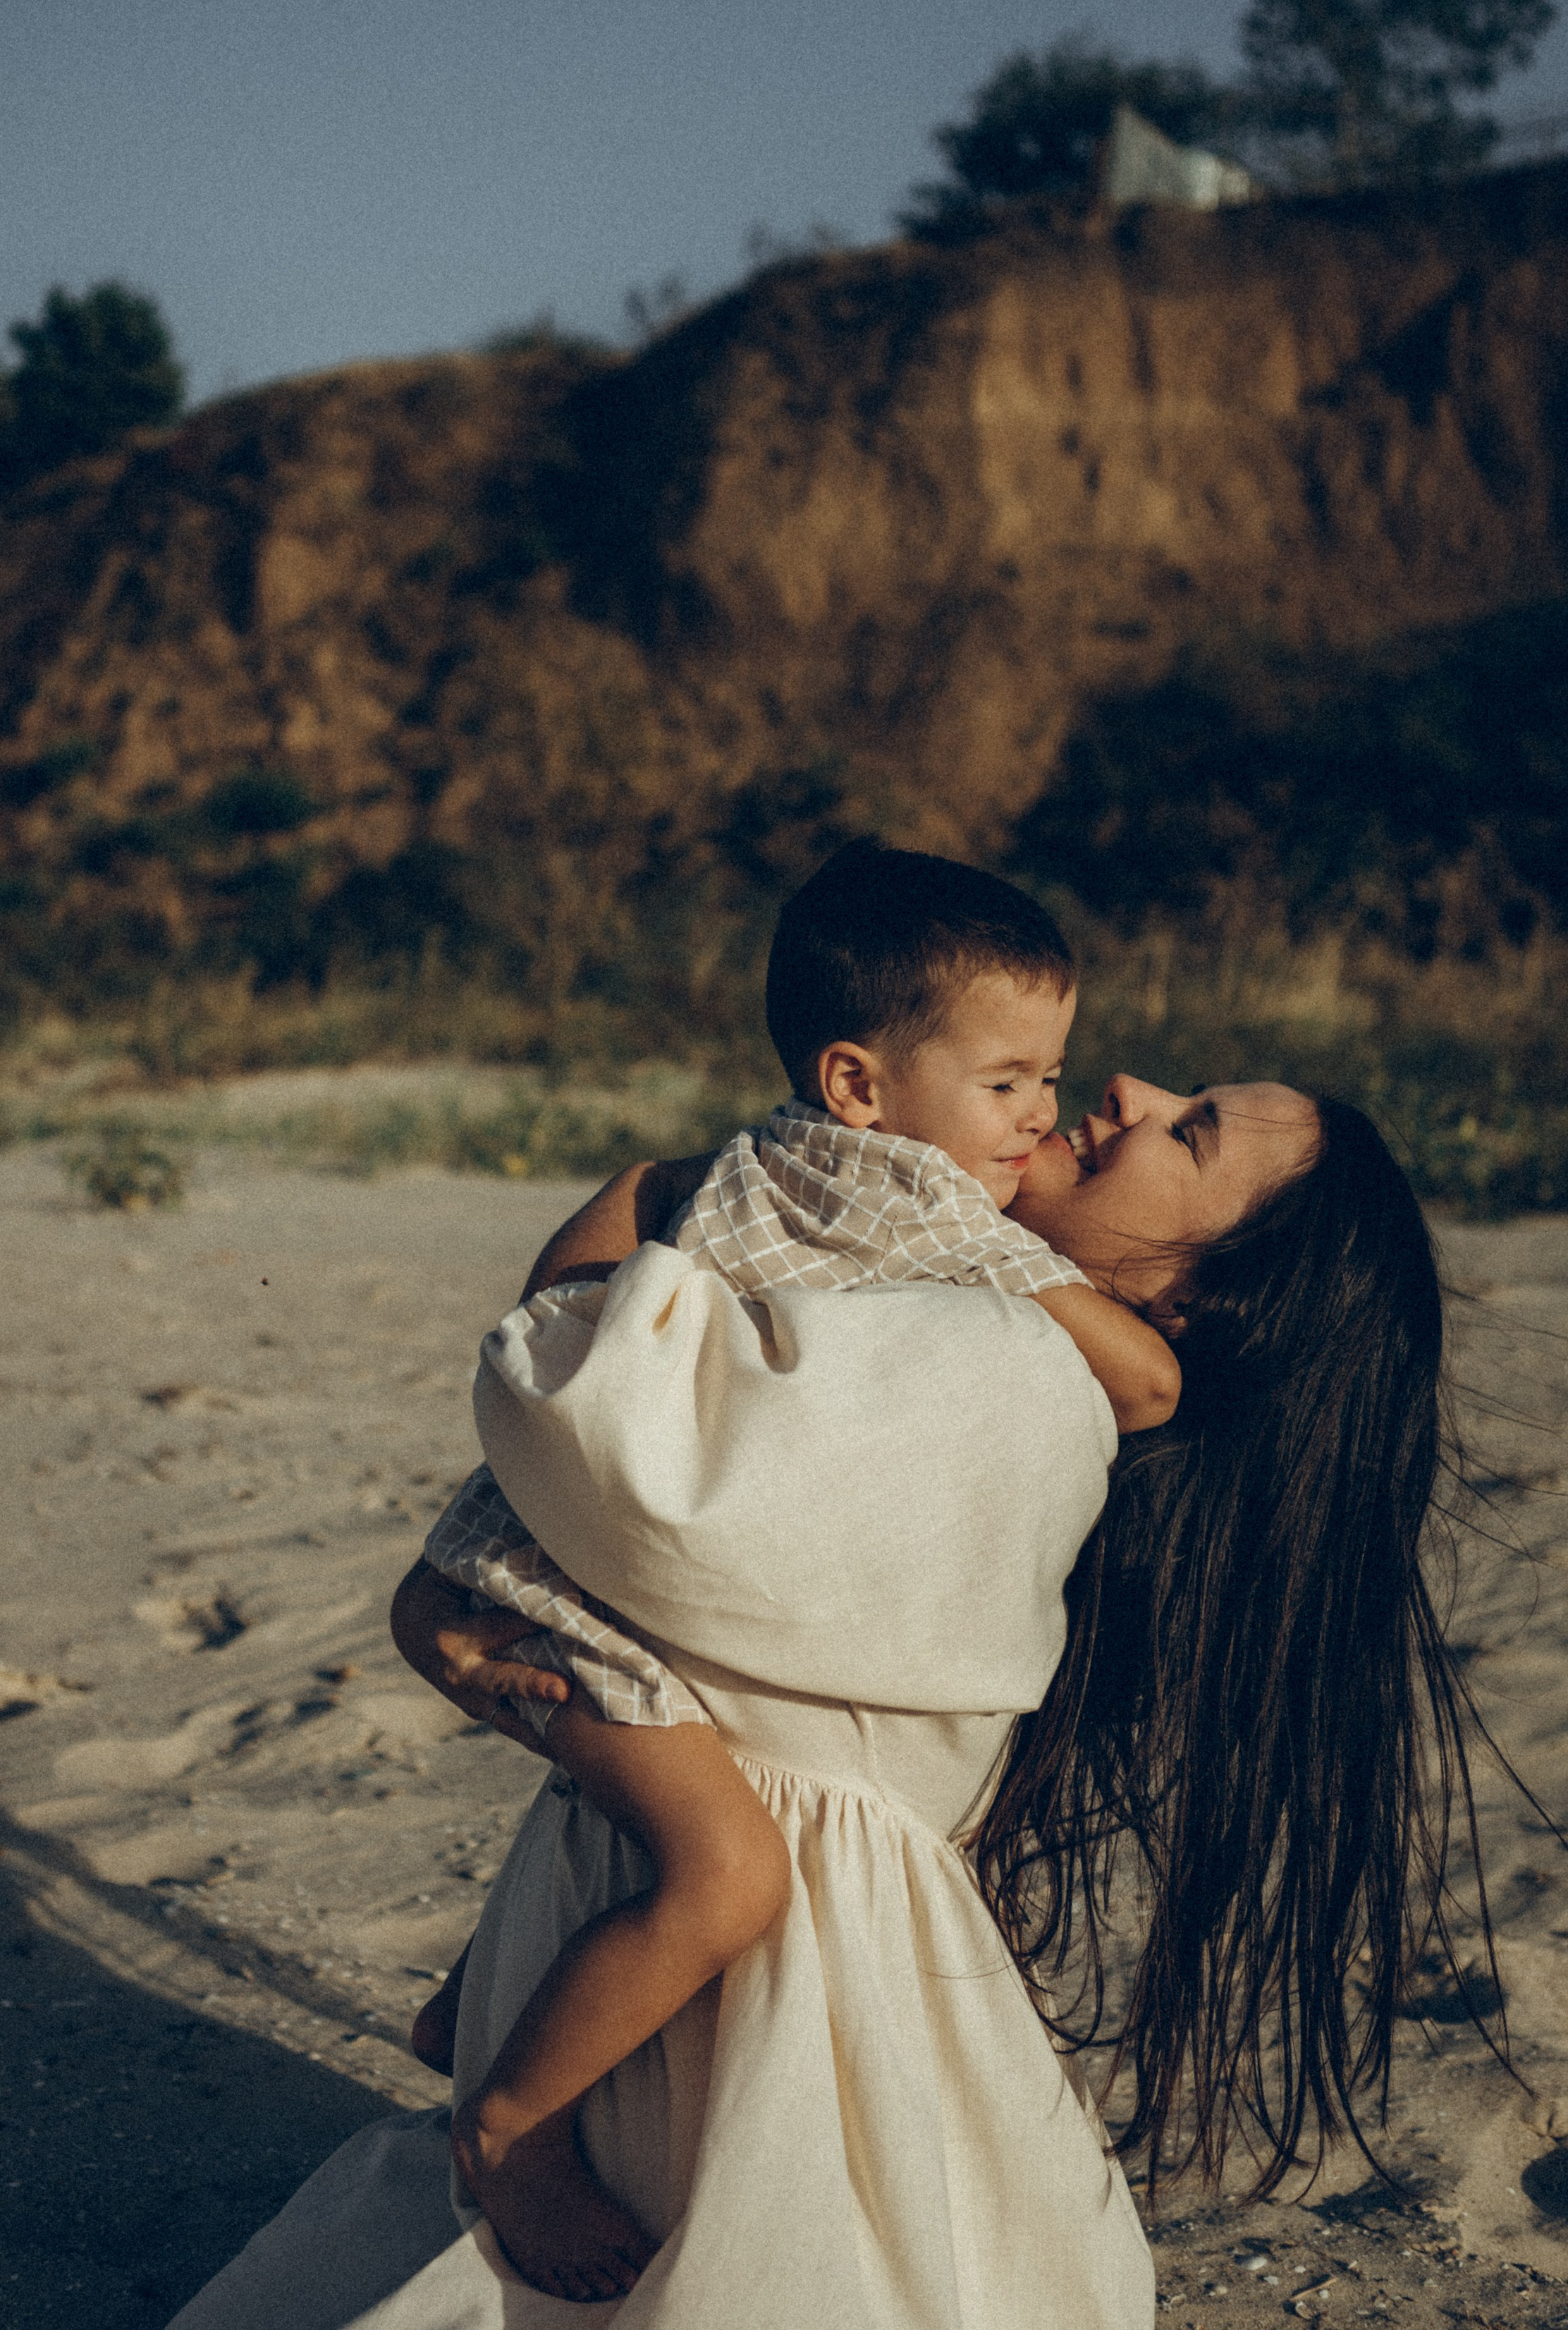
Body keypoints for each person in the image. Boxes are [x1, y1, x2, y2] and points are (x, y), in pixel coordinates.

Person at [169, 1055, 1486, 2330]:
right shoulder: (986, 1339)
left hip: (740, 1988)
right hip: (726, 1952)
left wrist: (663, 1184)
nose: (1130, 1092)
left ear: (1198, 1303)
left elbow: (593, 1411)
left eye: (1189, 1132)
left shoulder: (1007, 1370)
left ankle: (509, 2112)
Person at [411, 846, 1181, 2298]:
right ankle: (510, 2130)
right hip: (605, 1638)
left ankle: (471, 2010)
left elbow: (558, 1316)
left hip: (531, 1571)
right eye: (1010, 1080)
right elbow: (1140, 1383)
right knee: (724, 1874)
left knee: (630, 1833)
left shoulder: (718, 1174)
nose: (1043, 1117)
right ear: (858, 1084)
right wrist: (1065, 1296)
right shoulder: (937, 1208)